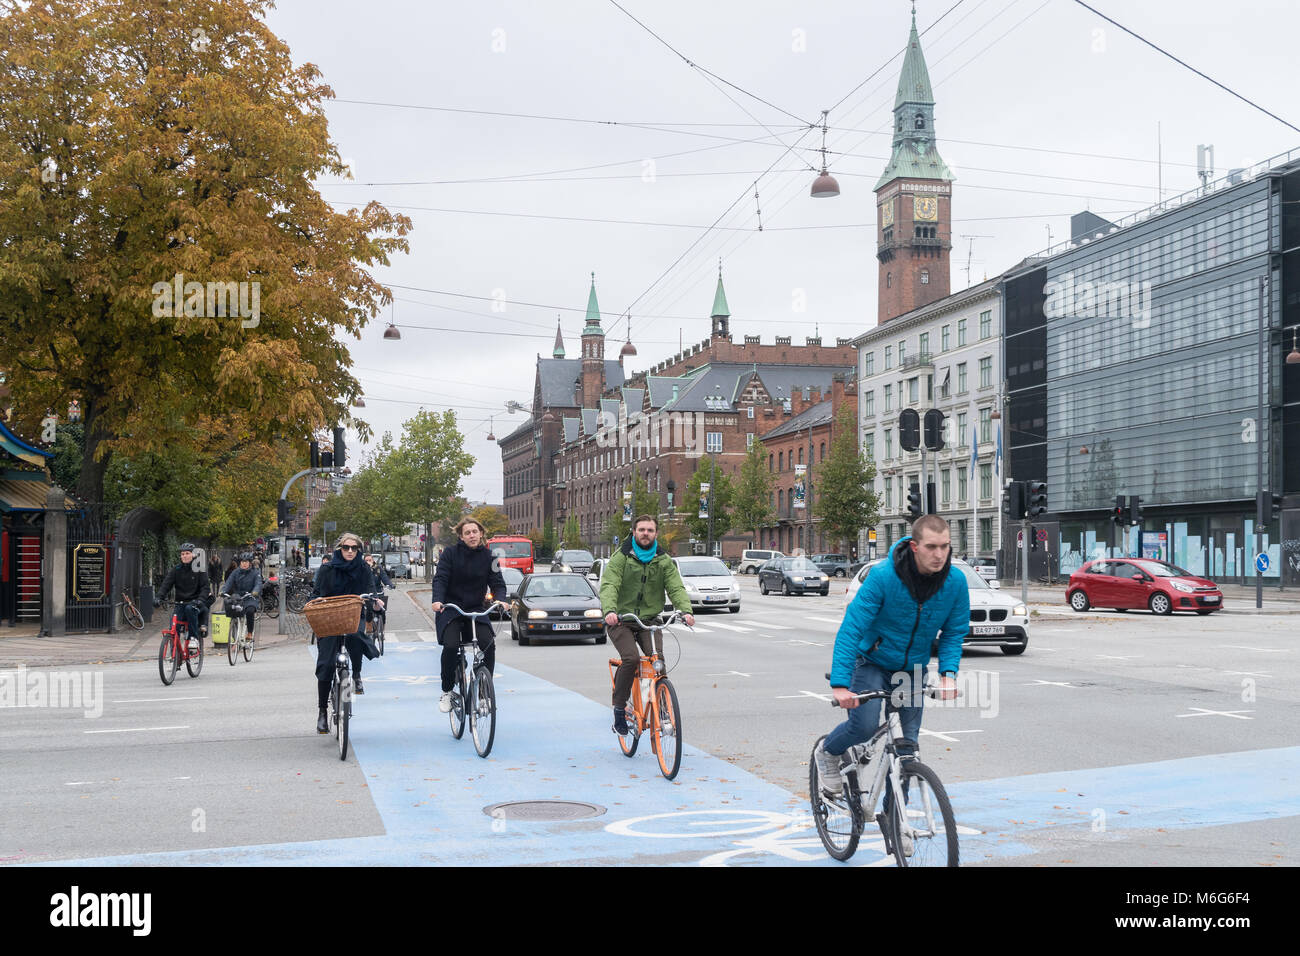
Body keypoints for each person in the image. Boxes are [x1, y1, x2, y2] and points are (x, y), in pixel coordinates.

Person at [816, 515, 968, 813]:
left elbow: (954, 632)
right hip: (872, 661)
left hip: (911, 670)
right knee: (864, 725)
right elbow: (852, 628)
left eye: (945, 547)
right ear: (914, 546)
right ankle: (828, 753)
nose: (939, 555)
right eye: (931, 547)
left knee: (907, 750)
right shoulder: (885, 576)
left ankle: (895, 820)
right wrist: (840, 684)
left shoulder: (955, 582)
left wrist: (948, 674)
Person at [599, 515, 695, 735]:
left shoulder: (663, 561)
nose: (645, 533)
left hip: (649, 621)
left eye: (650, 530)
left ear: (656, 534)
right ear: (633, 532)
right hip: (622, 619)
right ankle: (619, 711)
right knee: (631, 658)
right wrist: (610, 611)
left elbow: (676, 587)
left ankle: (662, 710)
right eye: (641, 529)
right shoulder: (621, 557)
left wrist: (686, 611)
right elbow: (610, 584)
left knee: (657, 661)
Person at [431, 519, 505, 714]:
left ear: (481, 533)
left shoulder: (491, 557)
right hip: (451, 609)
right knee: (451, 646)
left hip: (476, 610)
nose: (472, 535)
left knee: (488, 644)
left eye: (475, 531)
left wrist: (501, 600)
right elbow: (441, 578)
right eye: (467, 533)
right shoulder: (449, 554)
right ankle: (447, 691)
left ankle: (483, 694)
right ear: (461, 536)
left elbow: (498, 583)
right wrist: (438, 600)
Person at [310, 533, 379, 733]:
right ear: (339, 549)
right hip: (329, 619)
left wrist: (376, 601)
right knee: (326, 664)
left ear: (358, 550)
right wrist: (314, 601)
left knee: (357, 636)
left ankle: (356, 674)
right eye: (346, 547)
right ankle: (322, 711)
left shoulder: (364, 569)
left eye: (354, 548)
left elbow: (371, 591)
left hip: (352, 616)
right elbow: (316, 592)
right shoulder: (327, 569)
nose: (350, 551)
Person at [156, 543, 213, 646]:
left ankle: (193, 638)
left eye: (187, 553)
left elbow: (205, 588)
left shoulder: (199, 569)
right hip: (180, 603)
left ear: (193, 555)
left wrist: (200, 600)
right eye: (182, 554)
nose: (184, 556)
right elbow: (166, 585)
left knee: (189, 609)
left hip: (195, 603)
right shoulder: (176, 570)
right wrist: (159, 597)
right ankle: (174, 651)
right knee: (174, 625)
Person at [219, 552, 262, 641]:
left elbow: (258, 584)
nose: (244, 563)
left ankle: (249, 633)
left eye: (246, 562)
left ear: (250, 563)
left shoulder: (255, 573)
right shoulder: (235, 572)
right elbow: (228, 582)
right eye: (242, 562)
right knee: (232, 610)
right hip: (238, 597)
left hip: (250, 597)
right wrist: (223, 591)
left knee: (250, 611)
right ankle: (235, 635)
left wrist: (255, 591)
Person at [363, 554, 393, 635]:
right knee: (368, 609)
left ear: (373, 560)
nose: (368, 562)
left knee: (382, 611)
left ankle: (382, 630)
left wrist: (390, 584)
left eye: (370, 560)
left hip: (378, 591)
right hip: (368, 592)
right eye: (366, 560)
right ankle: (368, 626)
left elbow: (384, 577)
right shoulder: (362, 569)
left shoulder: (378, 568)